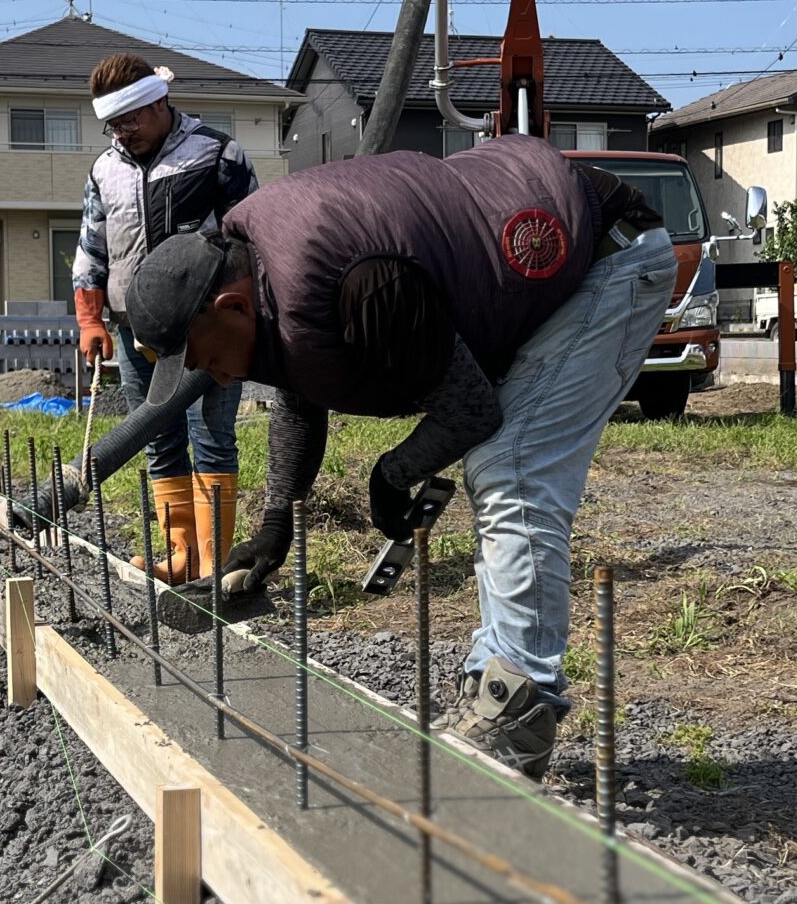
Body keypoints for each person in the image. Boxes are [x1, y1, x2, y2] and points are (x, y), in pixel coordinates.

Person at [118, 134, 673, 780]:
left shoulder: (363, 281)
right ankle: (493, 689)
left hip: (610, 256)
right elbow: (302, 394)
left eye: (207, 358)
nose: (212, 377)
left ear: (232, 306)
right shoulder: (263, 268)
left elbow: (470, 410)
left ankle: (517, 711)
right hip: (542, 254)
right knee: (501, 466)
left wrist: (393, 473)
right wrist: (274, 529)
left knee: (512, 467)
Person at [70, 51, 258, 582]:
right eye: (113, 124)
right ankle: (180, 556)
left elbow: (254, 240)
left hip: (206, 329)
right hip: (134, 328)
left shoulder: (217, 155)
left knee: (211, 436)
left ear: (159, 100)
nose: (122, 132)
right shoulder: (104, 170)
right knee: (158, 438)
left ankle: (212, 564)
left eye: (130, 120)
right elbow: (92, 248)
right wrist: (91, 318)